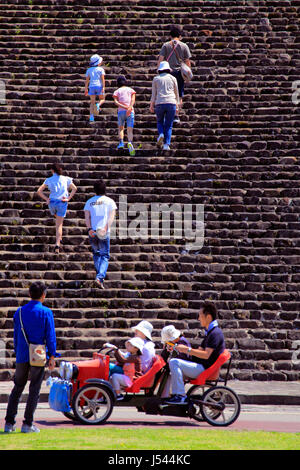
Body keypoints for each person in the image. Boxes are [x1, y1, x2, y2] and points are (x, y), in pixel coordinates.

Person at [4, 282, 57, 433]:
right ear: (43, 295)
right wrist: (52, 356)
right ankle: (27, 424)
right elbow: (50, 336)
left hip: (22, 354)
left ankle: (9, 423)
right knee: (34, 389)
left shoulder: (19, 312)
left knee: (17, 388)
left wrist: (18, 351)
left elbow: (15, 336)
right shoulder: (46, 312)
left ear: (29, 294)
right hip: (38, 355)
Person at [166, 302, 225, 405]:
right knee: (174, 363)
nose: (198, 319)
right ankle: (174, 394)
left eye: (200, 316)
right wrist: (182, 350)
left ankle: (180, 396)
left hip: (205, 369)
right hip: (202, 366)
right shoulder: (210, 332)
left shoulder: (215, 333)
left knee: (174, 362)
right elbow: (199, 350)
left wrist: (187, 350)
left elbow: (206, 354)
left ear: (208, 317)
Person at [37, 162, 77, 253]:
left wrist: (46, 199)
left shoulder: (49, 179)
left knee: (57, 218)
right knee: (59, 225)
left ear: (52, 170)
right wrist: (69, 198)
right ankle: (57, 245)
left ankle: (60, 238)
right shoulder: (66, 179)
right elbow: (75, 188)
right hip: (62, 202)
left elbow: (39, 191)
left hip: (52, 202)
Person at [84, 181, 117, 289]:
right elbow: (111, 217)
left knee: (96, 254)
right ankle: (99, 278)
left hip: (93, 231)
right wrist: (105, 228)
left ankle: (99, 278)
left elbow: (87, 217)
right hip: (103, 231)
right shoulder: (110, 201)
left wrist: (89, 229)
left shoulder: (89, 202)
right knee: (105, 255)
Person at [158, 26, 192, 123]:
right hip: (179, 73)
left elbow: (160, 59)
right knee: (179, 95)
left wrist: (158, 71)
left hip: (168, 73)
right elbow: (187, 61)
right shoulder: (184, 46)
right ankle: (176, 115)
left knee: (167, 93)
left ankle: (166, 114)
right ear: (179, 36)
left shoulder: (166, 45)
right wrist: (188, 73)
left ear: (170, 36)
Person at [150, 61, 180, 151]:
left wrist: (151, 105)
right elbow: (176, 93)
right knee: (169, 125)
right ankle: (167, 144)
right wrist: (177, 105)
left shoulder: (156, 79)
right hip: (171, 102)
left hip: (159, 103)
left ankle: (161, 134)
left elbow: (153, 94)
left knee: (159, 121)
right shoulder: (173, 78)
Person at [160, 325, 191, 398]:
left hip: (184, 366)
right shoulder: (173, 343)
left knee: (169, 375)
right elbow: (164, 355)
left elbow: (184, 356)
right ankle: (165, 395)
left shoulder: (182, 341)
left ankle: (173, 395)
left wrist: (173, 351)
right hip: (176, 365)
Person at [113, 75, 136, 156]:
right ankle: (130, 142)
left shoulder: (117, 91)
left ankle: (121, 143)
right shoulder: (131, 90)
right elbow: (133, 99)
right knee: (130, 129)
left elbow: (116, 102)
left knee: (121, 128)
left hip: (121, 111)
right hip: (130, 111)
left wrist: (123, 106)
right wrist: (129, 107)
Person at [85, 54, 105, 123]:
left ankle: (91, 117)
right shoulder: (101, 69)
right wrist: (103, 87)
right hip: (99, 85)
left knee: (92, 102)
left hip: (91, 86)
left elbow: (87, 80)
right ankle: (98, 105)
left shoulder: (89, 70)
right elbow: (102, 79)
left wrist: (86, 89)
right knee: (102, 99)